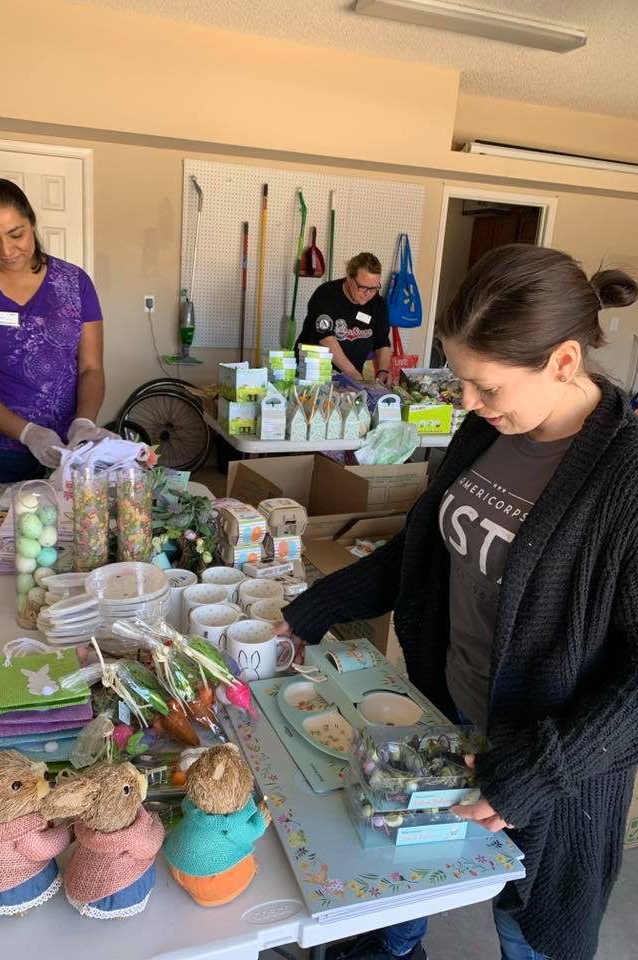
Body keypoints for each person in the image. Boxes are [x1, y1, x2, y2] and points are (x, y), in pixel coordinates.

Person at [276, 244, 638, 960]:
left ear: (564, 362)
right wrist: (309, 612)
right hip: (442, 725)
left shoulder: (624, 480)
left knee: (527, 929)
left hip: (552, 773)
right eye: (461, 381)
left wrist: (534, 774)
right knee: (395, 892)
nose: (466, 403)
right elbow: (425, 552)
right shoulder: (485, 430)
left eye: (486, 386)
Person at [0, 178, 112, 499]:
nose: (6, 250)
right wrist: (27, 433)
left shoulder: (74, 282)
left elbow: (91, 368)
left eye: (16, 234)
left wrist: (84, 422)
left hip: (67, 451)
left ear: (32, 222)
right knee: (1, 543)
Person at [295, 252, 392, 386]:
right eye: (363, 287)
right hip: (314, 376)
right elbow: (326, 339)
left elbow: (382, 343)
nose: (368, 294)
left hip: (351, 380)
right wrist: (353, 374)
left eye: (374, 288)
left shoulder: (377, 304)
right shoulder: (326, 295)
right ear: (349, 276)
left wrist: (383, 371)